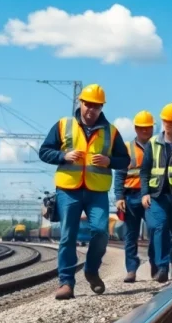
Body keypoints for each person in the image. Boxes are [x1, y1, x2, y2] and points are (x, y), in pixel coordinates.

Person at [39, 83, 129, 300]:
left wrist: (109, 161)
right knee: (68, 236)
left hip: (97, 190)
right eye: (88, 104)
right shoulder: (63, 125)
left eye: (96, 106)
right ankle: (66, 283)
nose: (91, 109)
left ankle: (91, 269)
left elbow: (125, 160)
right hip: (68, 189)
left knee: (100, 231)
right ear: (81, 102)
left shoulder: (111, 131)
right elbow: (44, 152)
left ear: (101, 108)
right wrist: (63, 156)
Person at [140, 103, 172, 283]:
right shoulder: (153, 143)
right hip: (157, 195)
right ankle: (162, 266)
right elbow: (144, 171)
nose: (168, 124)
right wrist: (145, 193)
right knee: (158, 227)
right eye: (166, 121)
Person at [112, 111, 157, 282]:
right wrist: (119, 197)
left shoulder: (157, 148)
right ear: (136, 129)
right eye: (142, 128)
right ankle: (131, 269)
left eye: (148, 128)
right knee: (131, 235)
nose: (145, 131)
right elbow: (120, 174)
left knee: (154, 230)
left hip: (151, 197)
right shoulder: (127, 149)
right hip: (130, 197)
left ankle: (156, 265)